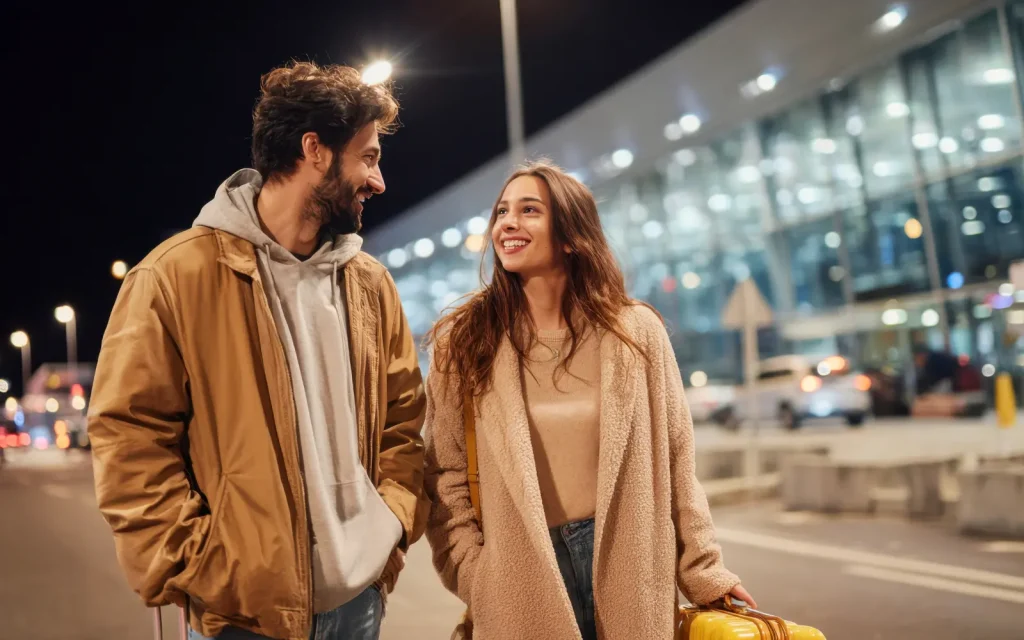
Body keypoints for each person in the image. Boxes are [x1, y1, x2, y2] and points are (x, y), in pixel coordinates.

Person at [88, 61, 427, 640]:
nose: (379, 180)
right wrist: (199, 565)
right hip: (243, 615)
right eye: (368, 157)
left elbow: (403, 425)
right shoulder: (174, 277)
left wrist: (391, 526)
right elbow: (129, 435)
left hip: (359, 603)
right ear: (314, 150)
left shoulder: (370, 285)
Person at [422, 160, 755, 639]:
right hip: (521, 575)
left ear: (571, 234)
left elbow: (677, 464)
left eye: (529, 210)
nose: (508, 224)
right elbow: (444, 474)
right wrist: (480, 577)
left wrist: (706, 573)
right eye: (501, 212)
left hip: (629, 562)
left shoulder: (635, 333)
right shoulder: (467, 339)